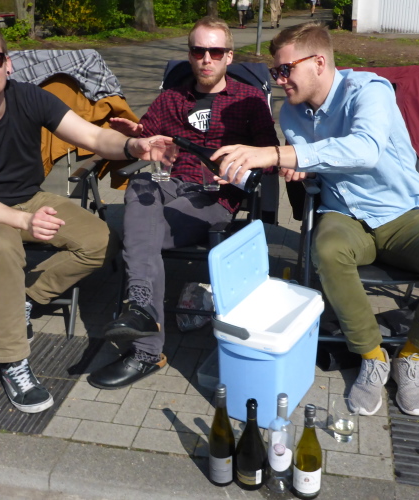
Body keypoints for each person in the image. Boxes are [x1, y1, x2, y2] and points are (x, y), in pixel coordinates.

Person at [212, 23, 419, 417]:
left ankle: (410, 354)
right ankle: (372, 356)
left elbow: (365, 149)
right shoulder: (292, 113)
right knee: (326, 249)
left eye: (285, 70)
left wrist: (279, 154)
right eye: (275, 72)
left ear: (318, 63)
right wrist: (293, 165)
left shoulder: (369, 91)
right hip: (343, 213)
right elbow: (311, 161)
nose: (279, 80)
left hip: (401, 213)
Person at [0, 17, 168, 414]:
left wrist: (132, 147)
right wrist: (22, 222)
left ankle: (24, 298)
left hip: (30, 199)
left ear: (7, 62)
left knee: (101, 240)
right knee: (2, 244)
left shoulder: (30, 98)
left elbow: (93, 136)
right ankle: (11, 361)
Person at [86, 17, 279, 391]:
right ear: (189, 54)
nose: (206, 59)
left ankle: (145, 346)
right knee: (143, 181)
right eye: (198, 50)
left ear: (229, 56)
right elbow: (147, 138)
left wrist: (242, 169)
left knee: (139, 239)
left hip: (212, 197)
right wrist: (135, 139)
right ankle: (142, 309)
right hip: (167, 183)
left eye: (215, 51)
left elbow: (270, 157)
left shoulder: (250, 101)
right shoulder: (171, 98)